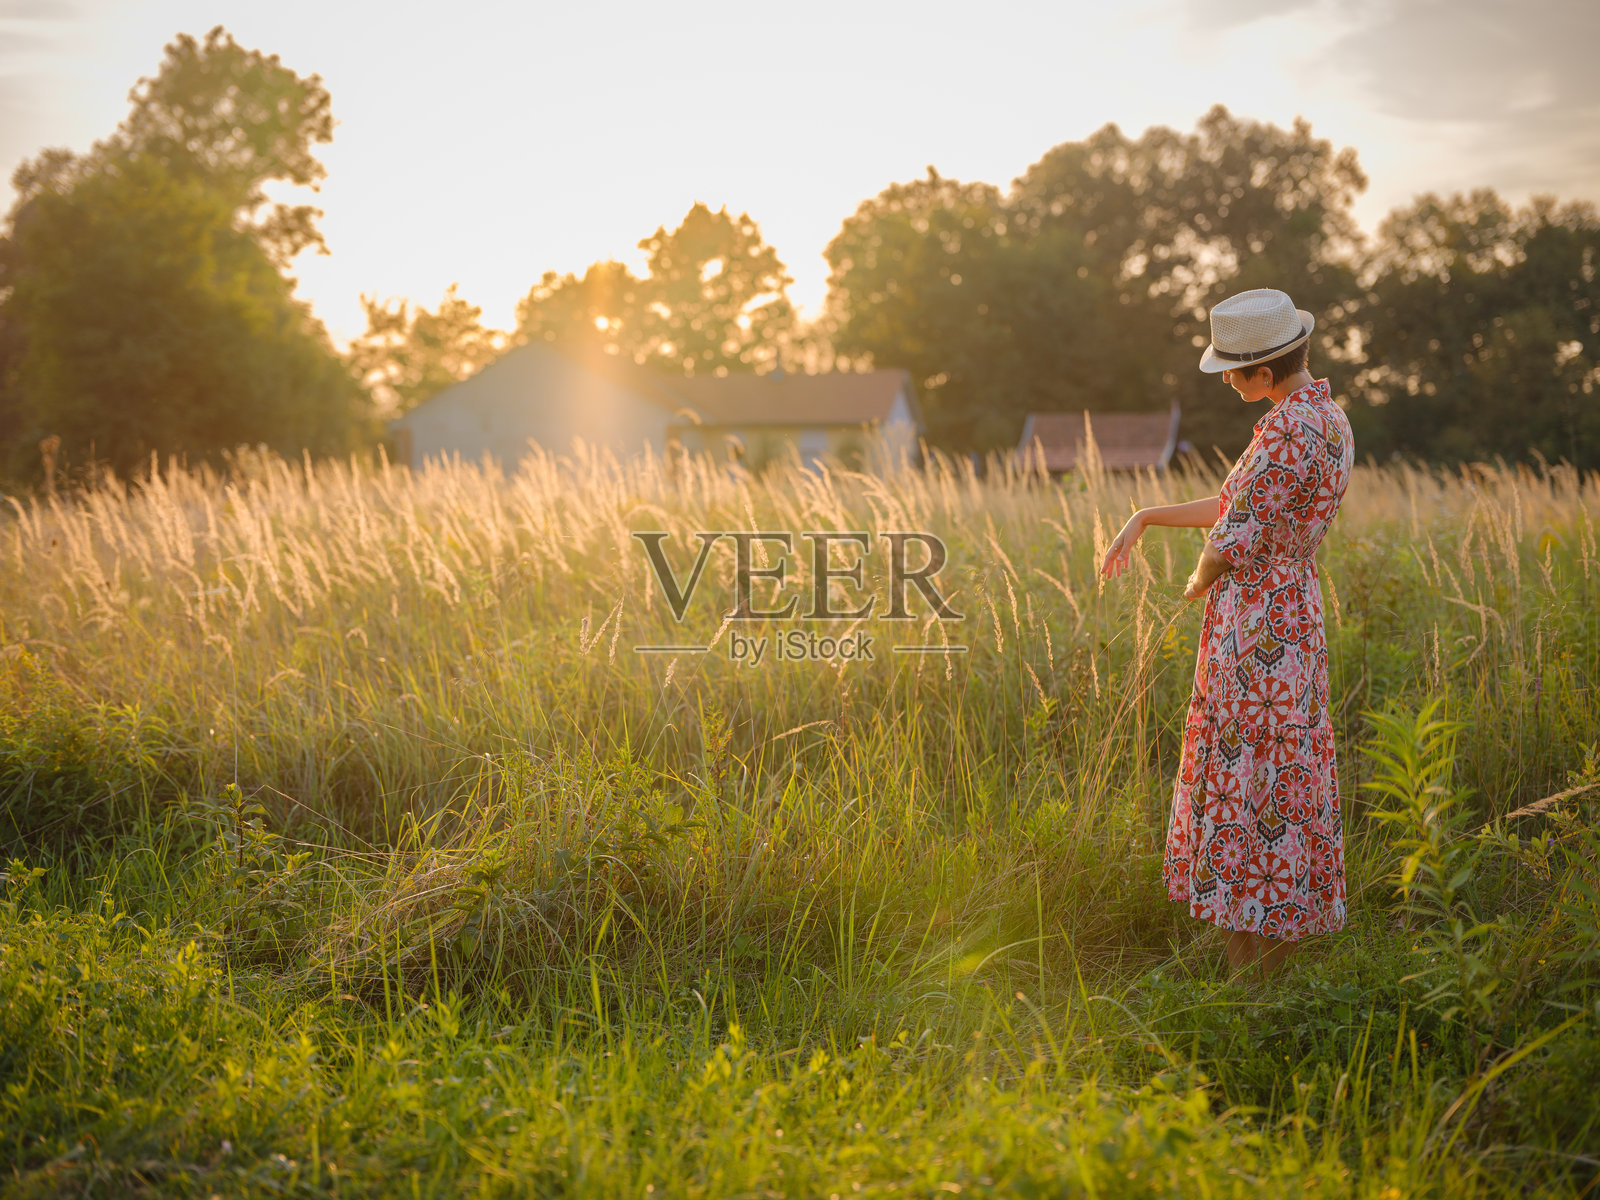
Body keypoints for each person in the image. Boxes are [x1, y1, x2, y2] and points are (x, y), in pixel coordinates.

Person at [1100, 288, 1355, 980]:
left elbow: (1228, 538)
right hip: (1293, 616)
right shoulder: (1325, 420)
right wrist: (1147, 514)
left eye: (1234, 373)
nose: (1230, 383)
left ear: (1263, 374)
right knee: (1282, 781)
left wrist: (1192, 587)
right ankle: (1265, 971)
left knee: (1250, 782)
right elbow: (1238, 503)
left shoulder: (1282, 434)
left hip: (1257, 631)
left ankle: (1254, 981)